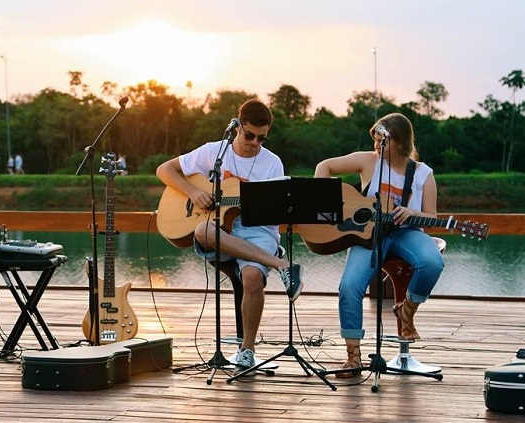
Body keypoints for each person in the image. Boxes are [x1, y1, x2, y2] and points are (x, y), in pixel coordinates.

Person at [156, 98, 303, 370]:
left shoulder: (272, 163)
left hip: (257, 229)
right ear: (237, 126)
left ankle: (247, 349)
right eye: (250, 135)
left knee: (251, 276)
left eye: (262, 138)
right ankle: (281, 264)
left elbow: (275, 214)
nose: (255, 143)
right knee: (201, 229)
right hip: (219, 229)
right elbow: (164, 169)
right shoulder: (215, 151)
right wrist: (193, 191)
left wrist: (257, 207)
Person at [313, 112, 444, 378]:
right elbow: (323, 166)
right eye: (375, 139)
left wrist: (410, 212)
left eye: (382, 139)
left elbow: (432, 216)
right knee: (349, 286)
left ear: (400, 142)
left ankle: (406, 310)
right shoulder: (368, 161)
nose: (376, 145)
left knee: (432, 262)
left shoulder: (422, 174)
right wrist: (327, 205)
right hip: (368, 234)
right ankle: (353, 357)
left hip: (407, 233)